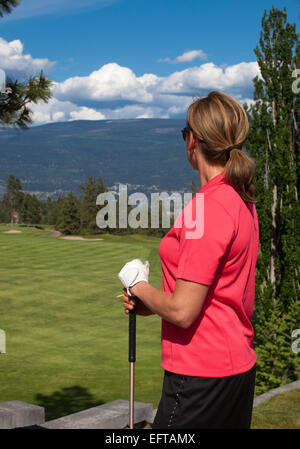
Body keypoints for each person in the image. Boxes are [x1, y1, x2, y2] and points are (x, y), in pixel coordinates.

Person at [120, 91, 259, 429]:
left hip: (200, 375)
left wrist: (137, 285)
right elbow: (210, 290)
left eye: (185, 134)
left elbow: (183, 311)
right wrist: (151, 304)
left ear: (193, 141)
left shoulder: (207, 207)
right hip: (235, 369)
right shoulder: (241, 199)